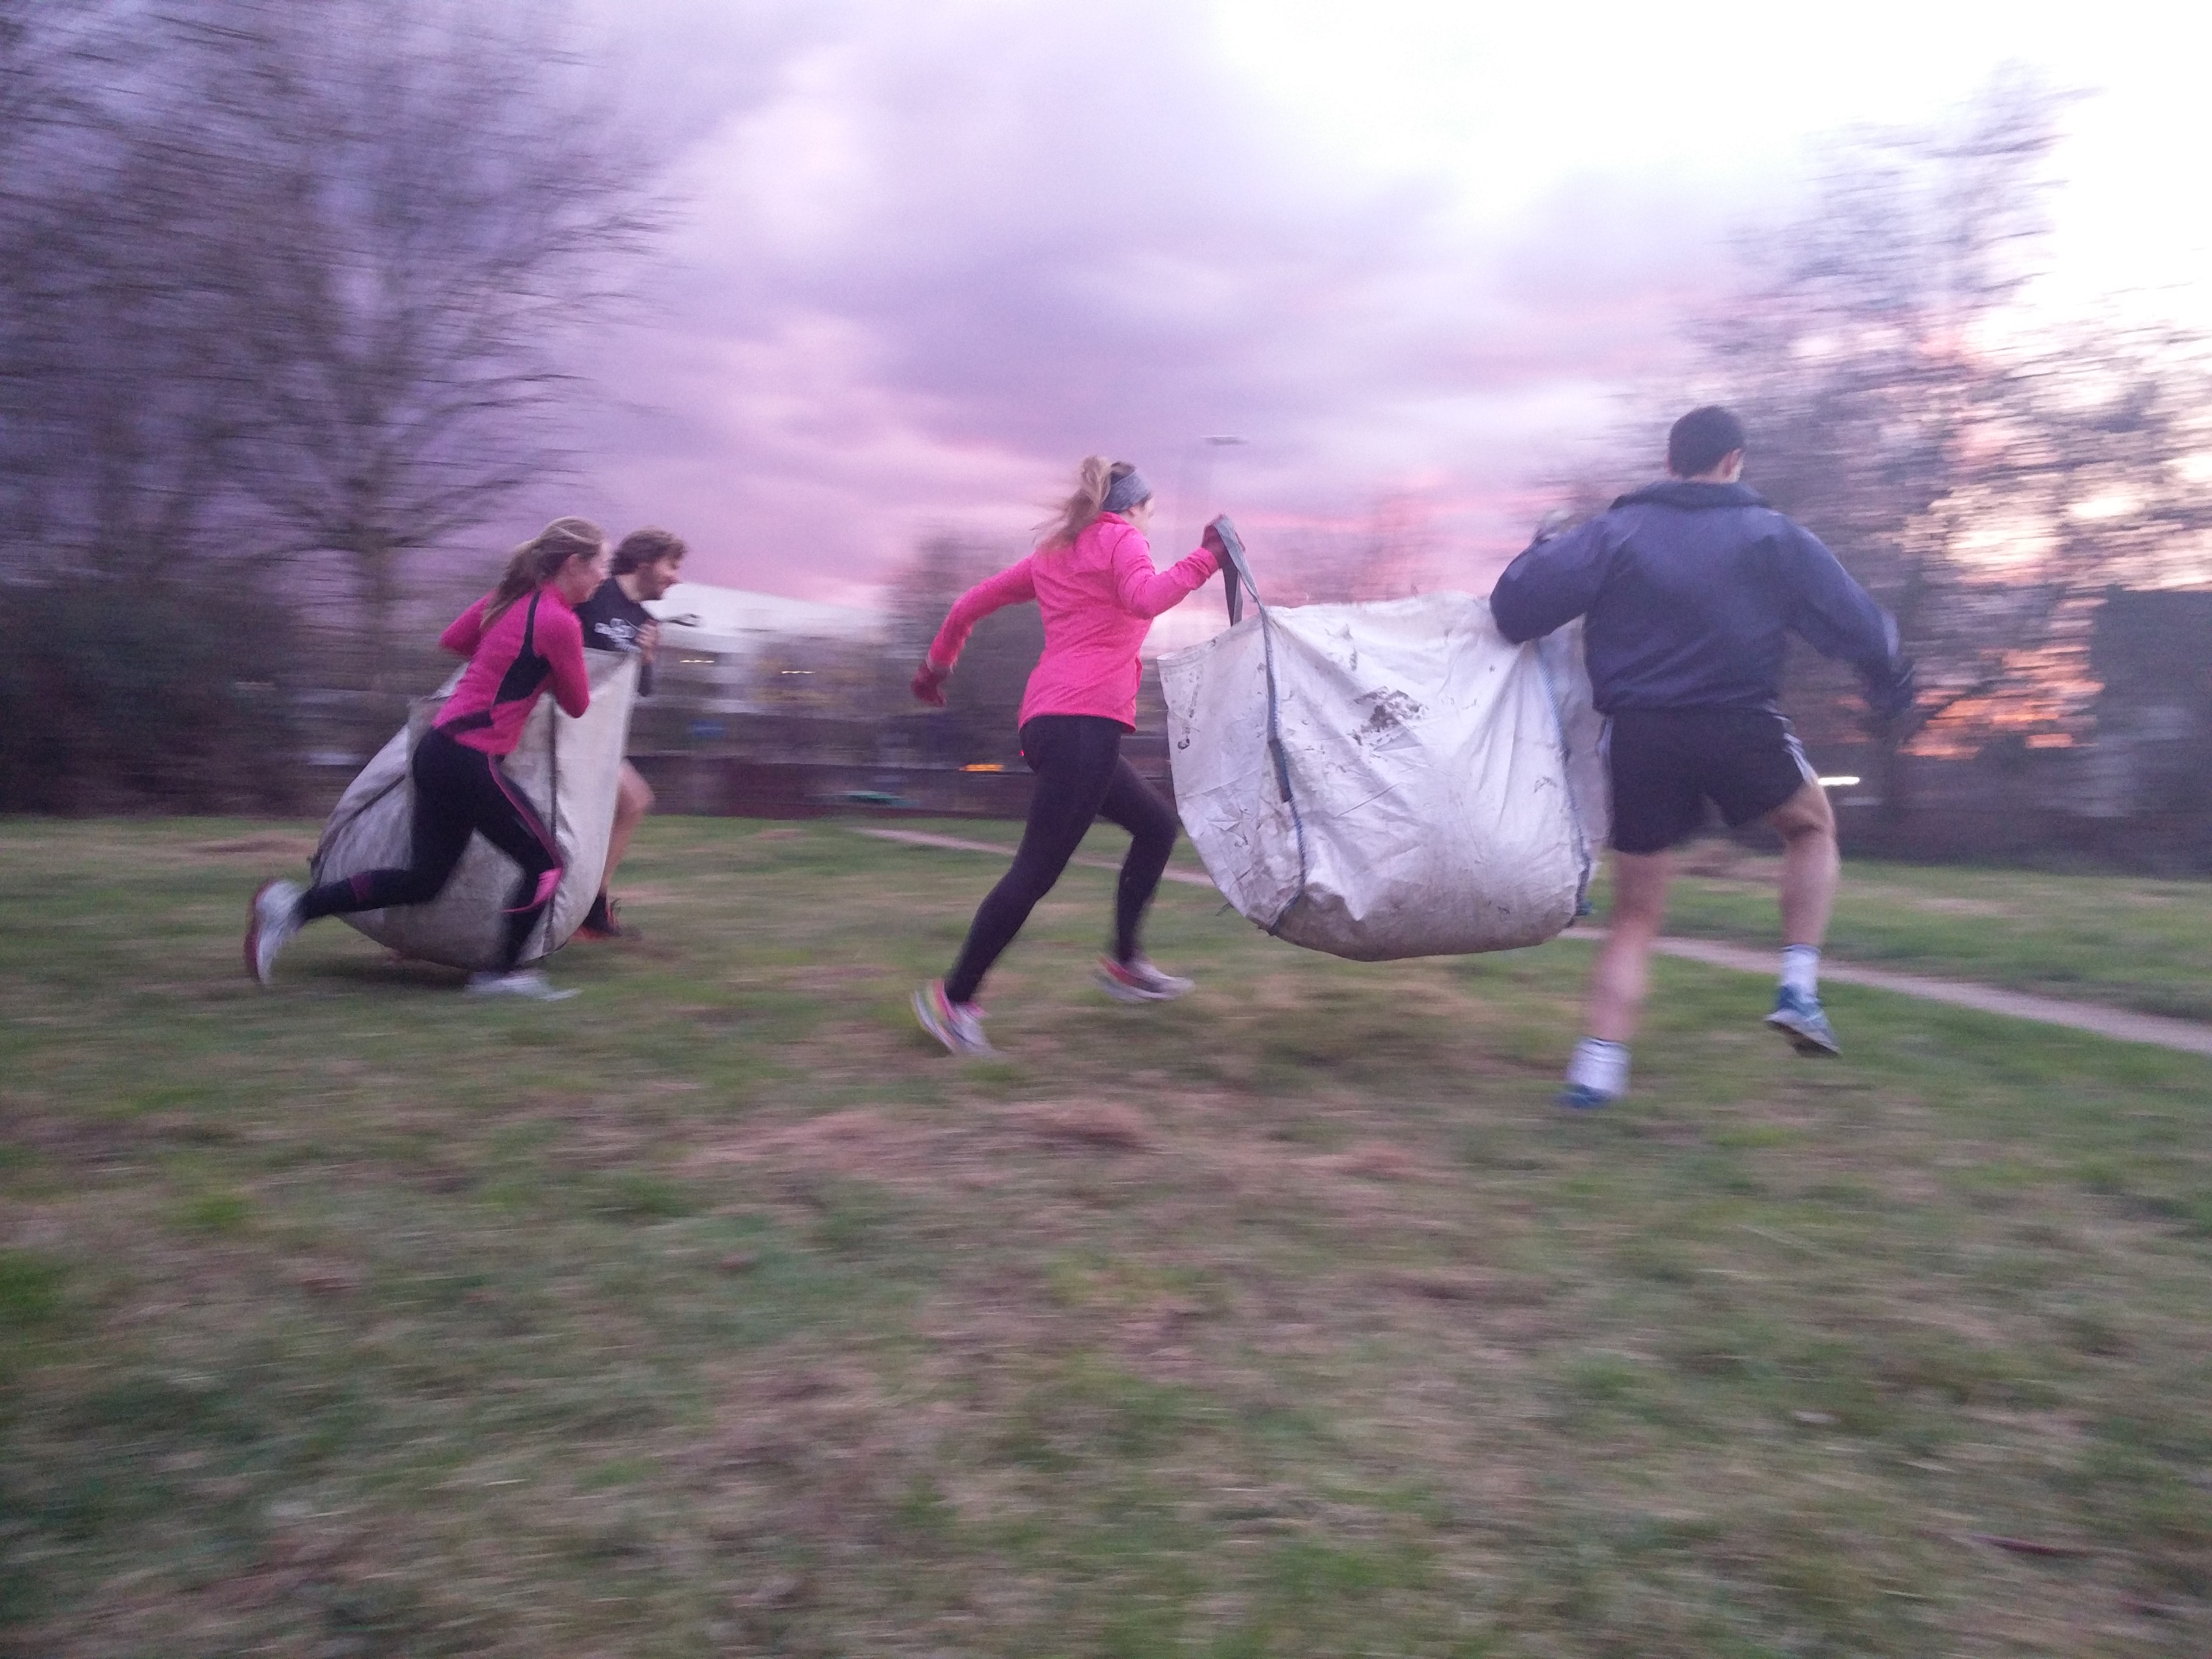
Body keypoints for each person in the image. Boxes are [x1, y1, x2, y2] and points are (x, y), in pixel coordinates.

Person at [1490, 406, 1915, 1108]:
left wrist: (1540, 553)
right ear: (1734, 461)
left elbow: (1515, 611)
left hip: (1642, 737)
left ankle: (1595, 1075)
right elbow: (1855, 621)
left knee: (1635, 917)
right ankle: (1798, 990)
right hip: (1739, 723)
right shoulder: (1772, 536)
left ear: (1669, 463)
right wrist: (1889, 681)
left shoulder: (1614, 534)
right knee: (1810, 829)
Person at [908, 456, 1222, 1055]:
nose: (1149, 523)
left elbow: (966, 606)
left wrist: (935, 669)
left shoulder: (1056, 553)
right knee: (1035, 871)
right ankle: (954, 999)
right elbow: (1146, 597)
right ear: (1132, 507)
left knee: (1155, 827)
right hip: (1084, 724)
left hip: (1048, 724)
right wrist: (1207, 558)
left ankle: (1126, 964)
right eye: (1149, 511)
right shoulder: (1121, 540)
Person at [244, 517, 611, 1000]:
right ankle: (502, 976)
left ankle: (291, 906)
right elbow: (578, 704)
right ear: (573, 564)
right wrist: (538, 670)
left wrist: (507, 662)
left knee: (424, 880)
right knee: (545, 864)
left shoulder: (508, 601)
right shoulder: (559, 621)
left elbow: (455, 640)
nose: (603, 575)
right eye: (600, 564)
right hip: (469, 759)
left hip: (437, 752)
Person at [572, 526, 688, 939]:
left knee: (634, 800)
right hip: (554, 725)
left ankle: (592, 907)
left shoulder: (646, 620)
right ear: (644, 563)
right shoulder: (594, 595)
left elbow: (641, 690)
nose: (677, 576)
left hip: (594, 737)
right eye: (671, 565)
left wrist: (648, 657)